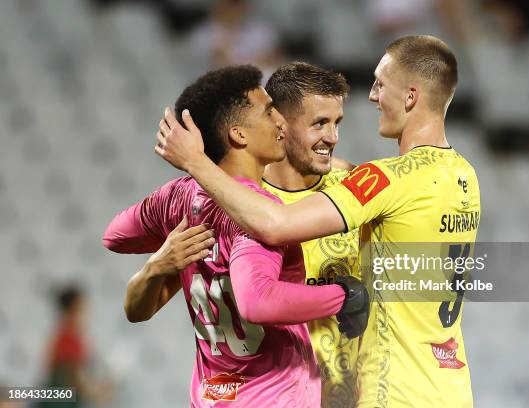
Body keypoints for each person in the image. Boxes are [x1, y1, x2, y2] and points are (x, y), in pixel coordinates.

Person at [156, 35, 481, 407]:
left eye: (380, 85)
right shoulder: (463, 174)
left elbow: (275, 224)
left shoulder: (387, 178)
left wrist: (196, 163)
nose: (373, 96)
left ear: (410, 97)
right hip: (450, 386)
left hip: (394, 390)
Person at [103, 65, 369, 407]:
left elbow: (115, 236)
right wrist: (344, 297)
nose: (280, 123)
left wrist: (158, 264)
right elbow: (257, 300)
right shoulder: (258, 212)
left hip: (215, 394)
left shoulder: (179, 197)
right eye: (269, 112)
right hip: (272, 397)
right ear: (239, 135)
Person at [262, 62, 360, 407]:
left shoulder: (354, 190)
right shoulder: (242, 201)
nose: (332, 137)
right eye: (319, 123)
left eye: (337, 123)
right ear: (279, 124)